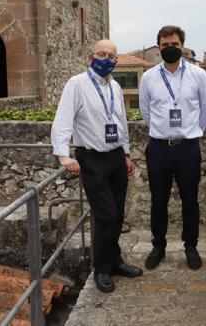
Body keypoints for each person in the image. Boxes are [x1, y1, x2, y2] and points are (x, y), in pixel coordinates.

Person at [51, 39, 143, 293]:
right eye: (100, 54)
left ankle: (115, 261)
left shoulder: (114, 86)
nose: (105, 59)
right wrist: (63, 155)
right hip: (91, 158)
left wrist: (125, 153)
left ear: (116, 60)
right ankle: (101, 269)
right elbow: (63, 120)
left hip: (115, 157)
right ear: (90, 57)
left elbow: (120, 122)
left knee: (118, 214)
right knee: (106, 216)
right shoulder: (77, 84)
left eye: (110, 55)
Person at [139, 25, 206, 270]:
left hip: (187, 148)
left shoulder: (198, 75)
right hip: (159, 147)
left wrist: (190, 131)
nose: (170, 48)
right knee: (158, 200)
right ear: (159, 47)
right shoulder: (149, 77)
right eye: (165, 45)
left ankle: (190, 246)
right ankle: (158, 246)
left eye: (174, 44)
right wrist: (163, 132)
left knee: (190, 199)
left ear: (183, 46)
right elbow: (146, 111)